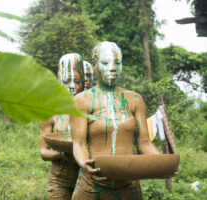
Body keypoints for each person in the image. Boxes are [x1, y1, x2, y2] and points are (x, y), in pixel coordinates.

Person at [70, 41, 160, 200]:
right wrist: (86, 164)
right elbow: (78, 143)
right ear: (95, 66)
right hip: (92, 186)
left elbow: (144, 142)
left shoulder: (135, 100)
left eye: (117, 63)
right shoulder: (82, 100)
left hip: (128, 186)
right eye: (105, 63)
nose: (112, 67)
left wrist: (161, 164)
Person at [40, 53, 85, 200]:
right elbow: (43, 152)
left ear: (83, 82)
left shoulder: (92, 110)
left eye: (77, 81)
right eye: (66, 81)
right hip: (60, 176)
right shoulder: (50, 112)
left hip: (85, 176)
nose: (72, 86)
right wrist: (61, 154)